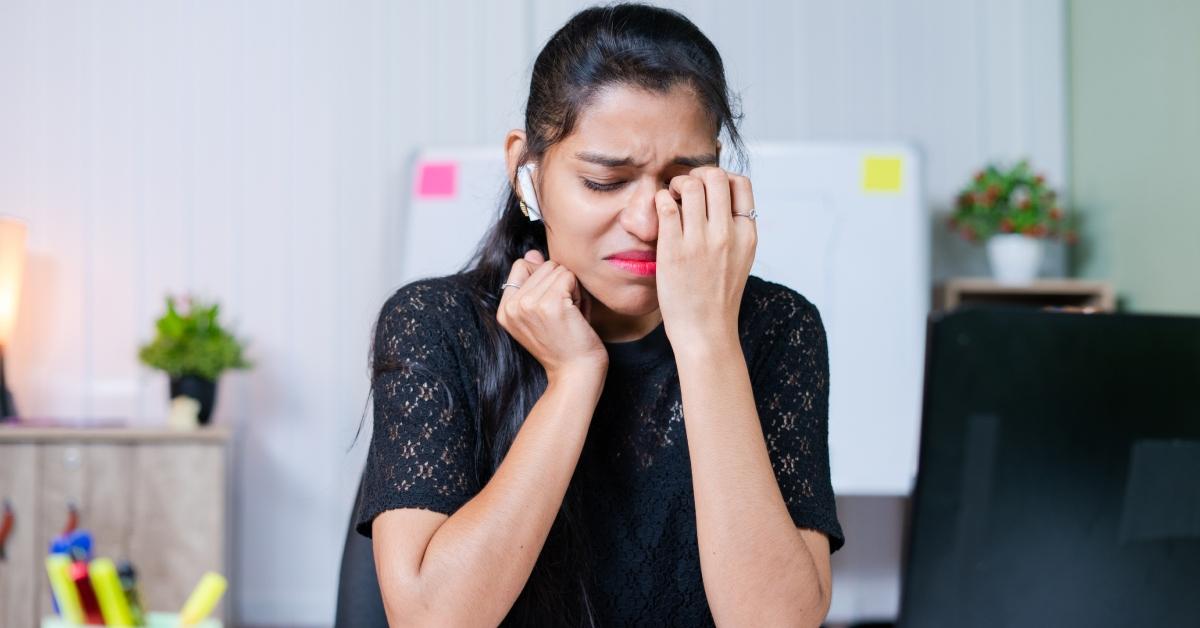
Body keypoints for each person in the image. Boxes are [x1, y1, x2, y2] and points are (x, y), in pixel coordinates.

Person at [354, 3, 844, 626]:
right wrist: (574, 380)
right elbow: (432, 619)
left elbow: (776, 621)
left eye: (681, 183)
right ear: (524, 170)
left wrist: (706, 338)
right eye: (605, 182)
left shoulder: (778, 328)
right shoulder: (436, 324)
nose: (646, 223)